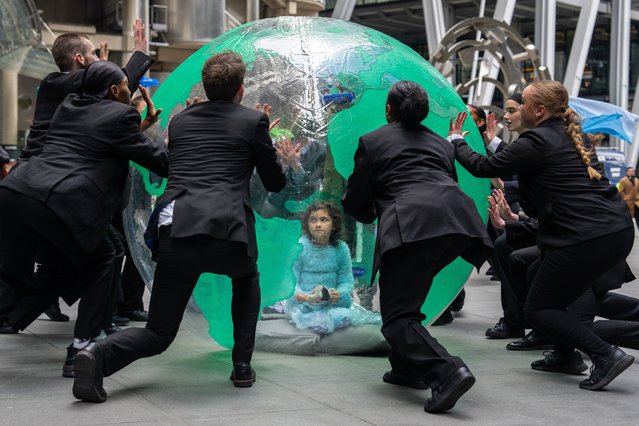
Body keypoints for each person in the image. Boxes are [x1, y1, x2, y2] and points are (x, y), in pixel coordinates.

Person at [72, 51, 287, 403]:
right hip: (227, 231)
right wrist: (267, 148)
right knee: (246, 279)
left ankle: (97, 355)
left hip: (178, 227)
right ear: (241, 88)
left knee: (158, 331)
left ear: (204, 86)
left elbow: (177, 166)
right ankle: (242, 365)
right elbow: (275, 183)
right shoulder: (253, 122)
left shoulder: (182, 120)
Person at [451, 80, 635, 391]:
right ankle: (565, 356)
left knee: (537, 308)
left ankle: (605, 355)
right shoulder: (565, 137)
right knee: (537, 272)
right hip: (613, 231)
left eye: (522, 105)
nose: (518, 109)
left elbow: (484, 167)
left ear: (539, 110)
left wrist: (456, 141)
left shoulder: (537, 140)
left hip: (585, 238)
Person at [0, 60, 168, 376]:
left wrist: (138, 129)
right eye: (124, 87)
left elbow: (99, 137)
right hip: (57, 202)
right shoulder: (122, 115)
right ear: (113, 91)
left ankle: (84, 336)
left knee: (16, 276)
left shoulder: (69, 104)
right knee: (103, 258)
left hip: (15, 193)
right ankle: (82, 348)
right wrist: (183, 150)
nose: (127, 90)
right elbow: (157, 160)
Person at [341, 81, 492, 413]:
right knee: (406, 300)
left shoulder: (373, 141)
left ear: (388, 110)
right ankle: (405, 367)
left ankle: (447, 371)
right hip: (456, 225)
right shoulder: (441, 144)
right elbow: (446, 183)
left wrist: (368, 213)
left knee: (396, 318)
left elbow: (356, 198)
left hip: (411, 228)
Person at [284, 201, 380, 334]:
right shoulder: (301, 246)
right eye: (313, 220)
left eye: (323, 220)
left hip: (330, 304)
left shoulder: (341, 248)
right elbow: (291, 279)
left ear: (334, 224)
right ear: (307, 224)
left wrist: (339, 294)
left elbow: (346, 280)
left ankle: (323, 323)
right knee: (299, 314)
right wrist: (301, 295)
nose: (318, 225)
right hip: (304, 303)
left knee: (342, 315)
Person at [618, 166, 639, 230]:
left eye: (633, 171)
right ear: (627, 172)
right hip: (628, 203)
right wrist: (625, 198)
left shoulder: (637, 180)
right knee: (628, 219)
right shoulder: (623, 180)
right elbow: (620, 191)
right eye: (630, 171)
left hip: (637, 203)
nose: (631, 172)